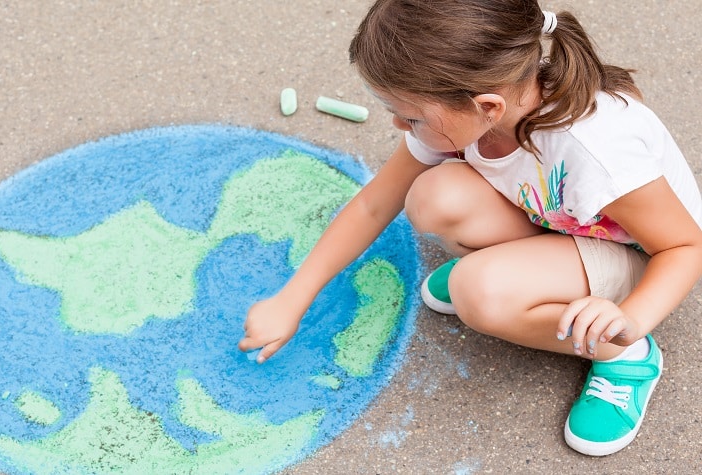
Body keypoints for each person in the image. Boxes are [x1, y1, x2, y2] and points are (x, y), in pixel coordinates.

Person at [238, 0, 702, 456]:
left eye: (412, 116)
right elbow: (374, 206)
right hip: (566, 223)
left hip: (641, 257)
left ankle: (626, 357)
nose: (400, 124)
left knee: (478, 292)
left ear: (487, 106)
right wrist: (292, 297)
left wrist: (633, 318)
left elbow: (685, 246)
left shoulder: (596, 151)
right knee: (432, 197)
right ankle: (519, 273)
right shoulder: (477, 112)